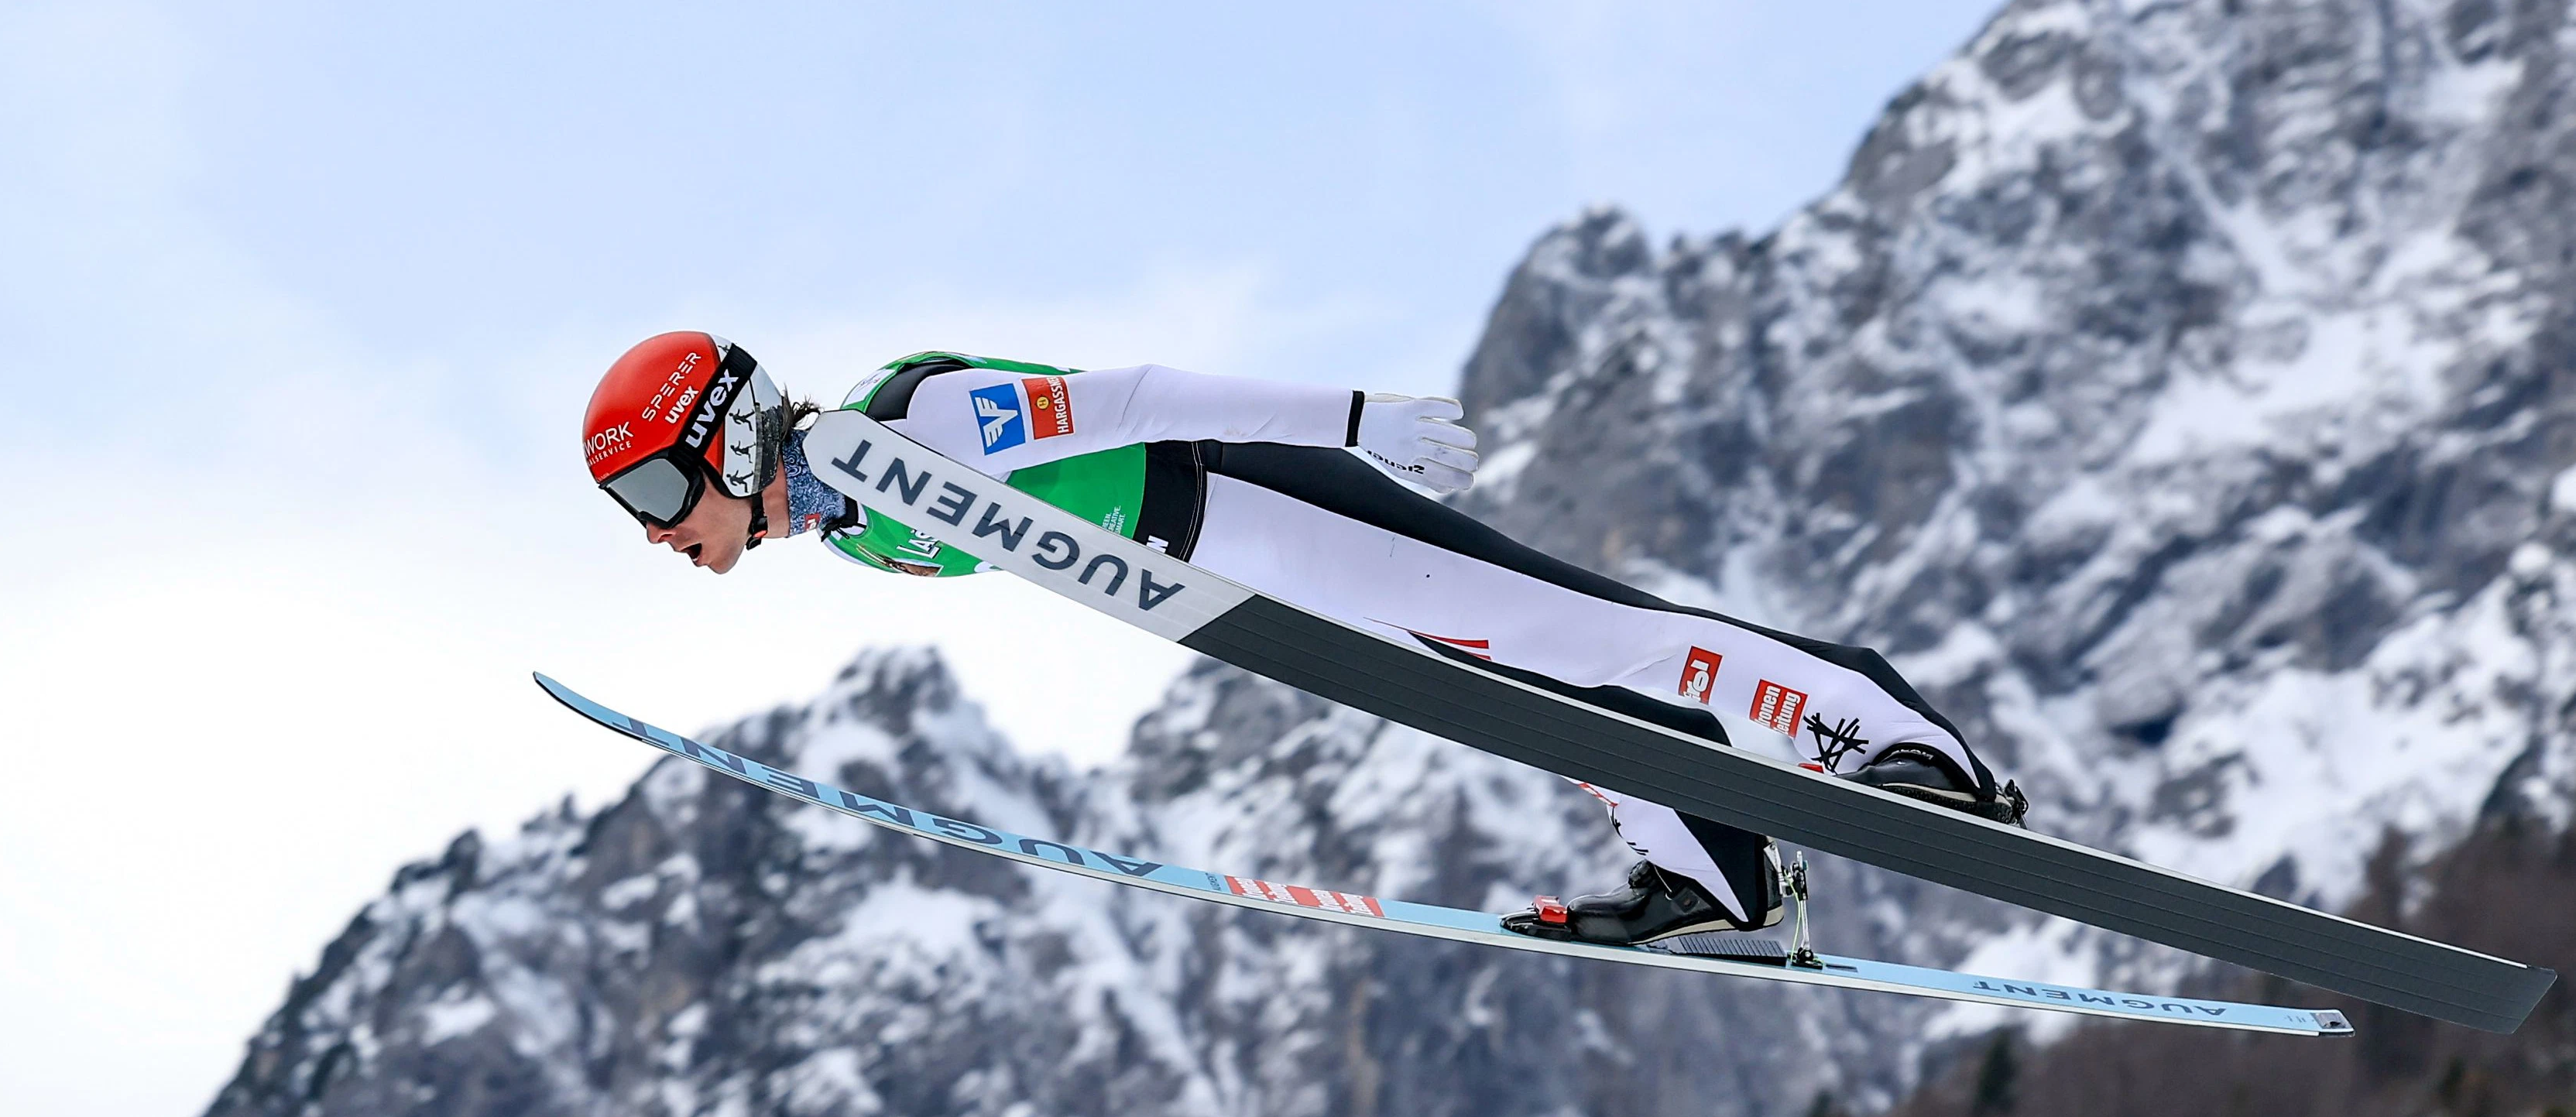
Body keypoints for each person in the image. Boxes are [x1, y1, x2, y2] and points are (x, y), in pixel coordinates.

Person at [581, 331, 2027, 947]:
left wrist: (1347, 422)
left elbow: (1131, 397)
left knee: (1572, 634)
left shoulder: (908, 429)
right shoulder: (857, 514)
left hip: (1250, 492)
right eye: (628, 510)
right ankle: (1715, 864)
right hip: (1234, 558)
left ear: (721, 433)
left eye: (654, 489)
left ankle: (1888, 730)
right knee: (1514, 686)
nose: (657, 531)